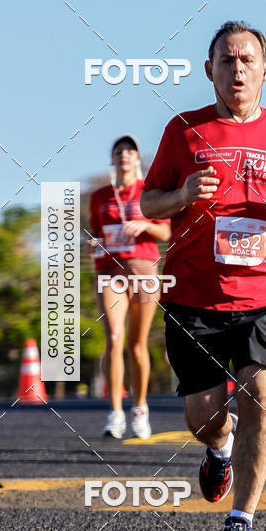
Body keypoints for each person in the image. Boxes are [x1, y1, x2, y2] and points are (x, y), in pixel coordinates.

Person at [140, 20, 266, 531]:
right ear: (209, 71)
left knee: (261, 392)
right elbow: (148, 203)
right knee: (203, 414)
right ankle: (219, 448)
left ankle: (241, 520)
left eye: (247, 59)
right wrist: (179, 193)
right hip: (194, 297)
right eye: (226, 59)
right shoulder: (183, 130)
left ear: (265, 70)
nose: (237, 68)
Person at [88, 135, 171, 439]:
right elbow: (96, 233)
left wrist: (145, 225)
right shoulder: (99, 196)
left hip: (143, 268)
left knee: (137, 345)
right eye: (118, 151)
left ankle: (139, 407)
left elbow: (165, 231)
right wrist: (92, 244)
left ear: (138, 159)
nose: (124, 155)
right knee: (114, 336)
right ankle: (115, 412)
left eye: (129, 151)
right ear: (112, 158)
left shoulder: (149, 191)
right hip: (109, 271)